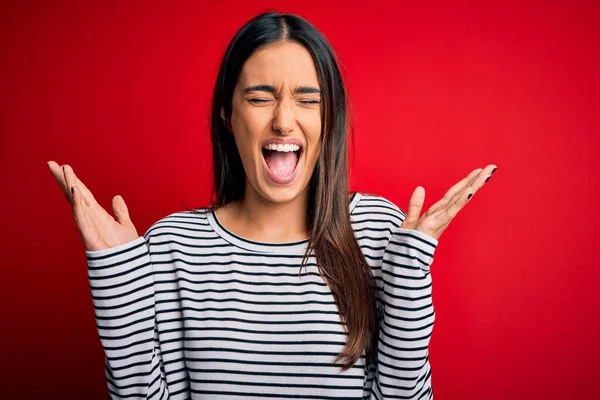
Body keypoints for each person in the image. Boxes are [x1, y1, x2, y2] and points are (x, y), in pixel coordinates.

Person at [47, 11, 496, 400]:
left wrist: (412, 268)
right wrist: (115, 273)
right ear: (227, 114)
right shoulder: (173, 247)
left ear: (329, 116)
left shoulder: (380, 231)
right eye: (260, 98)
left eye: (308, 99)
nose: (283, 119)